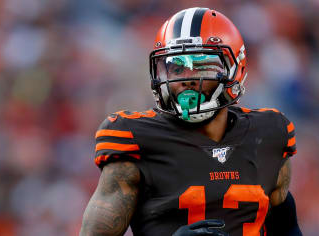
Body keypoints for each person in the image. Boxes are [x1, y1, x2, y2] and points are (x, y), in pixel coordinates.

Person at [80, 7, 302, 236]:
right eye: (177, 68)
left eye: (201, 65)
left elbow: (288, 228)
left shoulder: (267, 133)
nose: (187, 78)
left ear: (236, 68)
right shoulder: (135, 139)